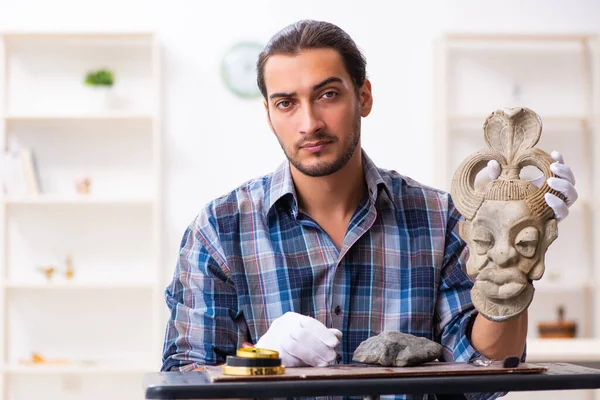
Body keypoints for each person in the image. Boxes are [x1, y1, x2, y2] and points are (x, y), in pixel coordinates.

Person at [161, 20, 578, 399]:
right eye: (286, 103)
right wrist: (259, 360)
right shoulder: (218, 230)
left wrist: (514, 256)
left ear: (363, 96)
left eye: (327, 95)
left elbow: (486, 371)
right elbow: (184, 382)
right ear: (269, 115)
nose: (309, 123)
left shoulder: (439, 217)